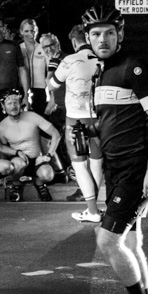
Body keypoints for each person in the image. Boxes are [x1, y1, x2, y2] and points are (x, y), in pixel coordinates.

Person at [82, 5, 148, 294]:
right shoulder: (103, 72)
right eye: (95, 34)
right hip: (117, 167)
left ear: (120, 35)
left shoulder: (133, 66)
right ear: (87, 38)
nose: (102, 39)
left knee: (108, 240)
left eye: (109, 33)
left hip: (135, 168)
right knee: (132, 241)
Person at [55, 24, 104, 223]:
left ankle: (92, 210)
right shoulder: (102, 59)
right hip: (99, 116)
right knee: (97, 163)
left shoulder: (69, 59)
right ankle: (96, 207)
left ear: (74, 42)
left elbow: (52, 84)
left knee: (80, 165)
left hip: (75, 118)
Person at [0, 89, 62, 202]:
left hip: (37, 159)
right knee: (18, 164)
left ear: (20, 104)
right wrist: (4, 174)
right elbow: (2, 150)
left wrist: (48, 155)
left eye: (16, 103)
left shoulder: (32, 116)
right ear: (3, 107)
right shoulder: (1, 127)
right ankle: (16, 184)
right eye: (9, 104)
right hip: (18, 161)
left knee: (47, 175)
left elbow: (56, 134)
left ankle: (39, 184)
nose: (13, 106)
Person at [20, 18, 52, 115]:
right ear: (21, 32)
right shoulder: (17, 48)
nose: (30, 33)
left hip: (40, 90)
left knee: (41, 118)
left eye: (32, 30)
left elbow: (51, 70)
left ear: (36, 30)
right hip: (22, 89)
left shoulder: (43, 48)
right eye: (26, 31)